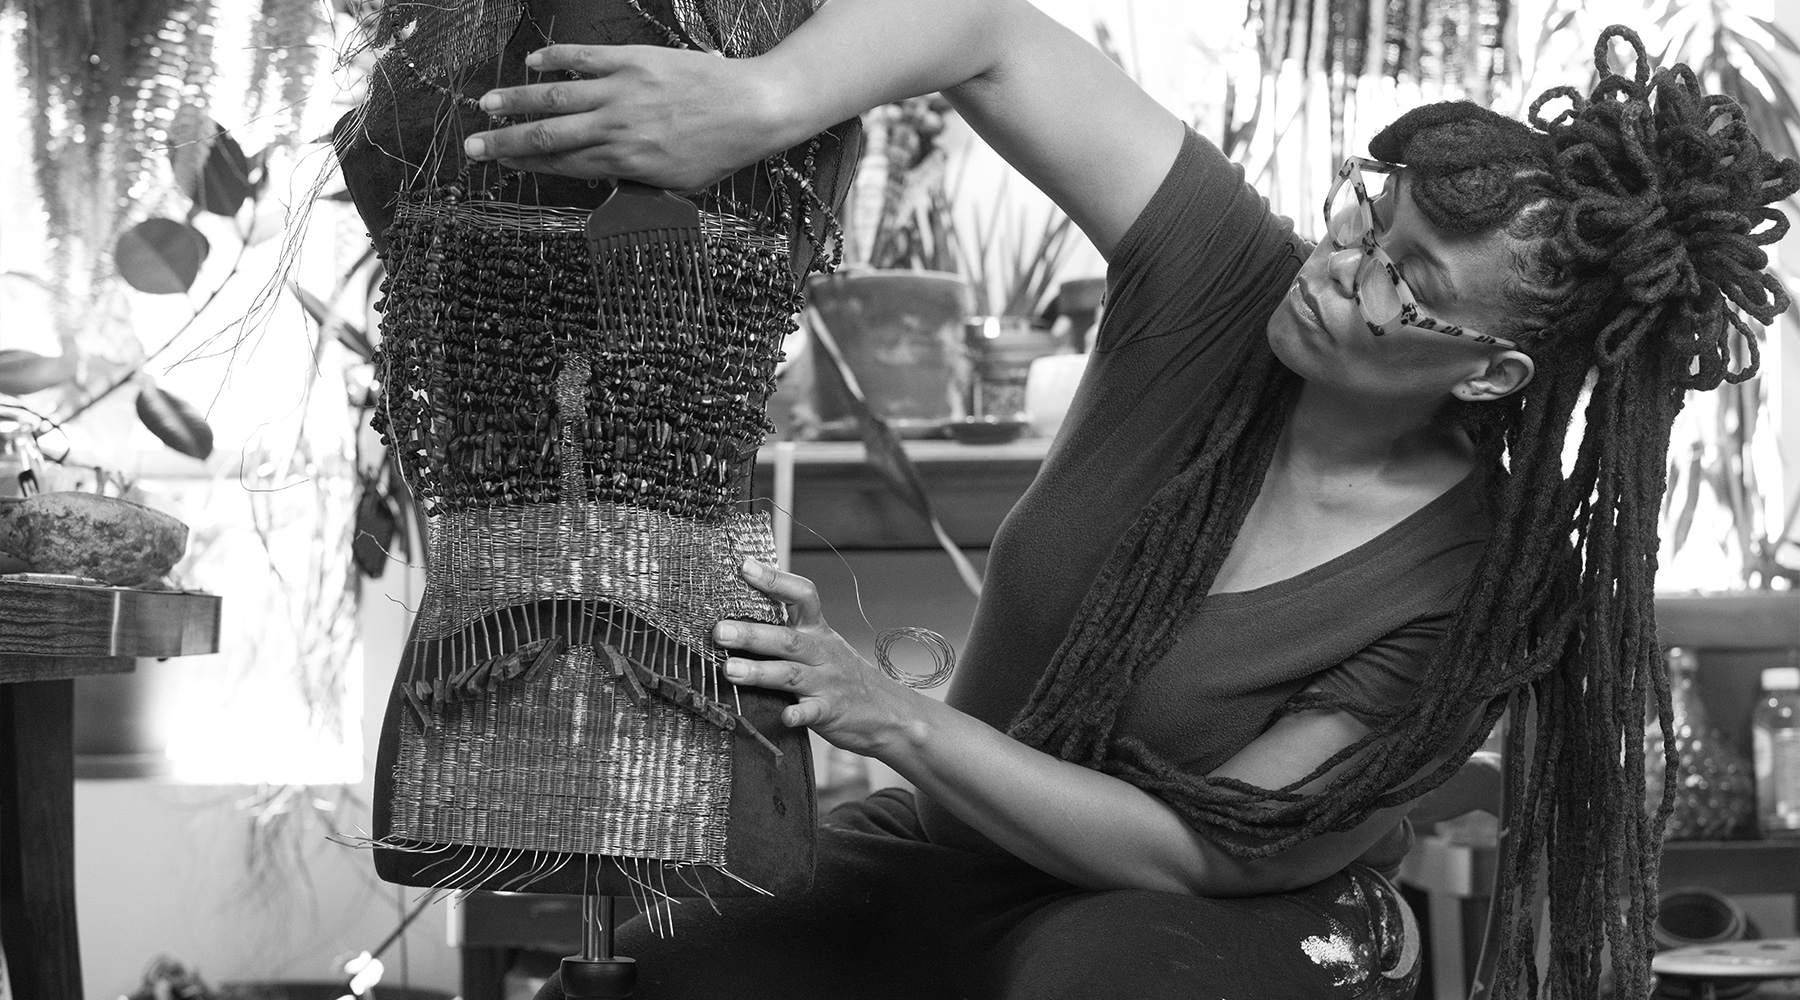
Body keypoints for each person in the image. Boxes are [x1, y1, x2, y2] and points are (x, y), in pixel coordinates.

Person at [458, 3, 1797, 997]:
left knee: (1089, 981)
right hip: (959, 853)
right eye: (1369, 217)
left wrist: (891, 713)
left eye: (1406, 281)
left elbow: (1206, 853)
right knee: (678, 965)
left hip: (1229, 918)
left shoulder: (1469, 588)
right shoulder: (1228, 285)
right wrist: (760, 103)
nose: (1340, 265)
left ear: (1494, 370)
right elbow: (985, 31)